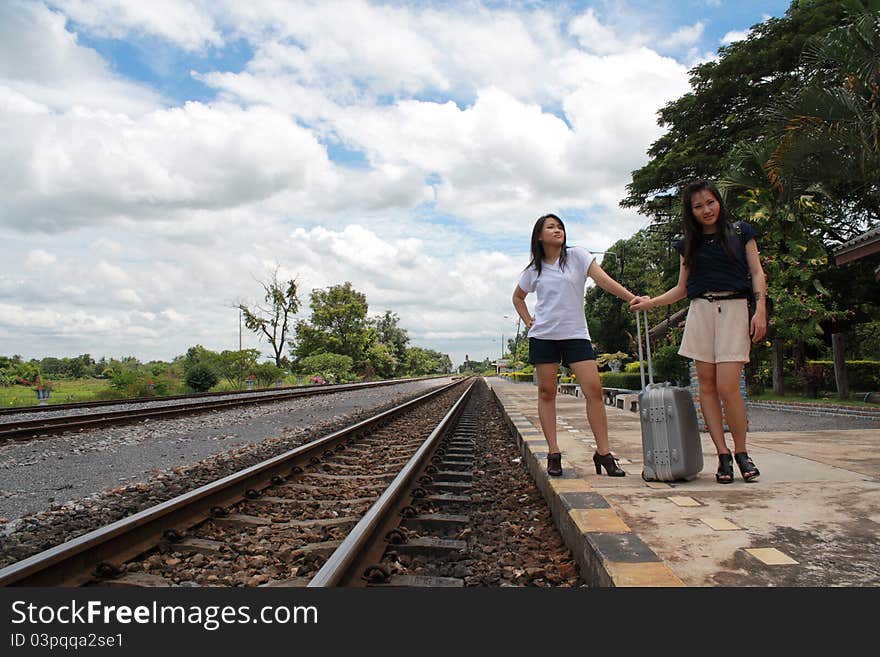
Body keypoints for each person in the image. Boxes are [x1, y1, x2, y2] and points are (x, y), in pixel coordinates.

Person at [630, 179, 767, 484]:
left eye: (710, 202)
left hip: (734, 309)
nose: (706, 210)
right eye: (698, 206)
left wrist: (760, 309)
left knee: (728, 386)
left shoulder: (742, 232)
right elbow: (681, 288)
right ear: (690, 212)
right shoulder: (687, 244)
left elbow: (757, 272)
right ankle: (722, 456)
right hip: (701, 311)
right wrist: (650, 302)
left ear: (719, 201)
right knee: (705, 386)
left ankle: (742, 452)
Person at [512, 213, 638, 477]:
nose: (558, 230)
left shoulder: (578, 256)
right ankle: (554, 452)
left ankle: (604, 453)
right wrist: (528, 323)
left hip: (576, 334)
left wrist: (632, 298)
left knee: (593, 389)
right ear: (539, 236)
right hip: (544, 336)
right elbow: (518, 297)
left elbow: (603, 281)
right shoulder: (534, 270)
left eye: (560, 227)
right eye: (551, 227)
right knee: (547, 393)